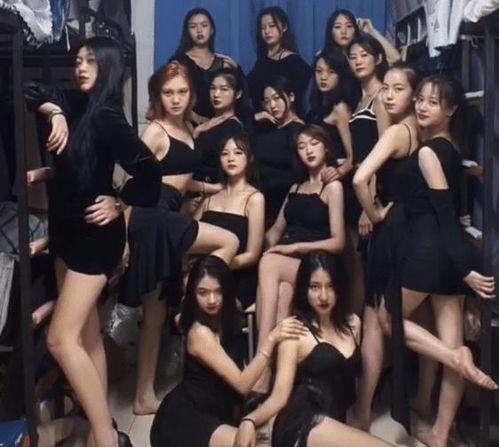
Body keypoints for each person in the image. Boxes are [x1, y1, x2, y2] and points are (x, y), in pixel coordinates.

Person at [25, 37, 162, 447]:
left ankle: (105, 438)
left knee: (59, 339)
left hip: (95, 235)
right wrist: (54, 111)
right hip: (67, 233)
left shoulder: (106, 115)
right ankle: (102, 431)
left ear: (109, 67)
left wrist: (120, 201)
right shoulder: (74, 103)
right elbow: (29, 90)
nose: (81, 67)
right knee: (87, 338)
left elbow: (149, 172)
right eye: (78, 60)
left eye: (91, 61)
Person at [372, 75, 497, 443]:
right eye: (420, 99)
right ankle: (441, 434)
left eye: (433, 102)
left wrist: (466, 270)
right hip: (448, 256)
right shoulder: (452, 149)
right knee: (455, 341)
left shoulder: (429, 152)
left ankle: (453, 358)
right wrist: (463, 267)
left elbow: (443, 215)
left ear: (451, 109)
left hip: (427, 253)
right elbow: (454, 216)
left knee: (388, 318)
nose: (422, 106)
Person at [121, 60, 239, 415]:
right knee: (229, 241)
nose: (175, 99)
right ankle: (197, 296)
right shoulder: (155, 131)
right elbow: (129, 186)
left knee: (154, 316)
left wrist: (213, 187)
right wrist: (124, 240)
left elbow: (180, 178)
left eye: (182, 92)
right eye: (168, 92)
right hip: (152, 217)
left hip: (168, 212)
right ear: (158, 95)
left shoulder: (187, 126)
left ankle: (143, 397)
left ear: (191, 95)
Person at [234, 252, 393, 447]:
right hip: (301, 420)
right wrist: (250, 420)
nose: (323, 296)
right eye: (315, 287)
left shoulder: (354, 324)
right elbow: (279, 396)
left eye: (330, 286)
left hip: (334, 421)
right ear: (304, 289)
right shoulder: (295, 331)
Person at [150, 255, 307, 447]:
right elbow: (242, 384)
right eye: (203, 293)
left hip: (217, 413)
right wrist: (271, 339)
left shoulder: (229, 315)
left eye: (218, 291)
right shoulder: (199, 333)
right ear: (193, 294)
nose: (212, 300)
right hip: (186, 417)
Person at [351, 62, 422, 430]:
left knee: (375, 319)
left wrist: (373, 214)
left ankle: (363, 410)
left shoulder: (396, 133)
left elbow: (359, 178)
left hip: (391, 232)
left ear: (414, 94)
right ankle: (417, 400)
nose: (389, 96)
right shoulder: (423, 130)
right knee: (398, 317)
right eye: (386, 89)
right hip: (414, 230)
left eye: (398, 89)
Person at [252, 124, 345, 395]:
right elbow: (276, 230)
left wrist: (293, 248)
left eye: (314, 143)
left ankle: (260, 363)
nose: (308, 150)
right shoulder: (295, 187)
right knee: (281, 292)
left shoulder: (332, 187)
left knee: (269, 264)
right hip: (287, 265)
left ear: (325, 146)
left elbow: (338, 242)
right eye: (302, 146)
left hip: (317, 263)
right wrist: (266, 246)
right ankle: (281, 380)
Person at [339, 33, 391, 316]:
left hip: (370, 189)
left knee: (367, 269)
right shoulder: (360, 99)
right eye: (353, 56)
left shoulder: (381, 97)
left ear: (378, 58)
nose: (358, 61)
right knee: (354, 266)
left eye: (365, 55)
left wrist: (368, 204)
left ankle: (365, 327)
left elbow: (383, 154)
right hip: (355, 186)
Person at [195, 133, 264, 309]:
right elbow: (188, 235)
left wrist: (214, 269)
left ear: (249, 158)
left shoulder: (255, 198)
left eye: (238, 152)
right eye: (225, 153)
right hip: (201, 277)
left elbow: (252, 255)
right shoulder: (210, 198)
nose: (231, 158)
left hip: (237, 275)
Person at [173, 8, 245, 122]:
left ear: (211, 30)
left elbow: (242, 98)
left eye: (204, 25)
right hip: (188, 125)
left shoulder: (224, 63)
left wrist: (237, 70)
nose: (199, 30)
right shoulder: (179, 62)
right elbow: (170, 96)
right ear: (187, 31)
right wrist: (194, 117)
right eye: (193, 26)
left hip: (221, 125)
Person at [247, 6, 311, 116]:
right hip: (262, 120)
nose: (267, 31)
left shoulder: (293, 61)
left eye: (272, 26)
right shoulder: (261, 61)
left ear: (284, 27)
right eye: (263, 28)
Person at [308, 48, 360, 176]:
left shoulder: (340, 108)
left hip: (336, 174)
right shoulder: (318, 104)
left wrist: (338, 172)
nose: (323, 77)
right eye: (319, 71)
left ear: (340, 75)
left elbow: (353, 156)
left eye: (331, 72)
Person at [193, 67, 247, 186]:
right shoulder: (209, 123)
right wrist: (197, 131)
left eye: (224, 89)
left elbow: (226, 172)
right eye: (213, 88)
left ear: (238, 94)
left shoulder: (232, 127)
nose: (216, 94)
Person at [323, 9, 400, 64]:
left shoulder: (365, 54)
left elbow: (396, 59)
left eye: (349, 26)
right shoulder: (324, 58)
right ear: (331, 31)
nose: (344, 31)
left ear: (355, 30)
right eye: (338, 27)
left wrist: (372, 31)